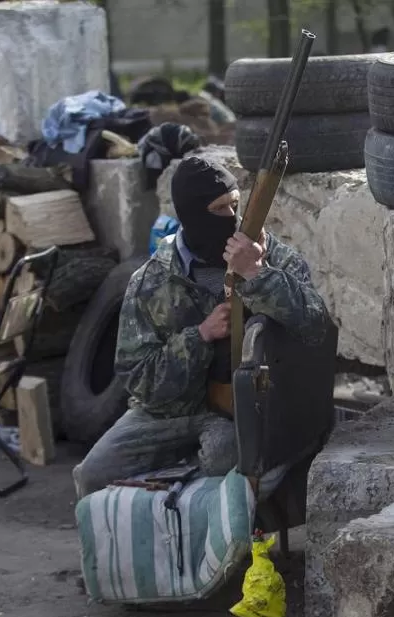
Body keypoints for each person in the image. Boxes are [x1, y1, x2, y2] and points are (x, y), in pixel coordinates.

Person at [71, 156, 331, 499]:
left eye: (236, 204)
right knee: (92, 475)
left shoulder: (269, 256)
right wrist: (200, 337)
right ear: (192, 215)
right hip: (169, 413)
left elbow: (315, 327)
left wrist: (257, 275)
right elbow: (138, 378)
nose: (233, 218)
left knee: (225, 463)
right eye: (220, 208)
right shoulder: (152, 279)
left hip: (247, 411)